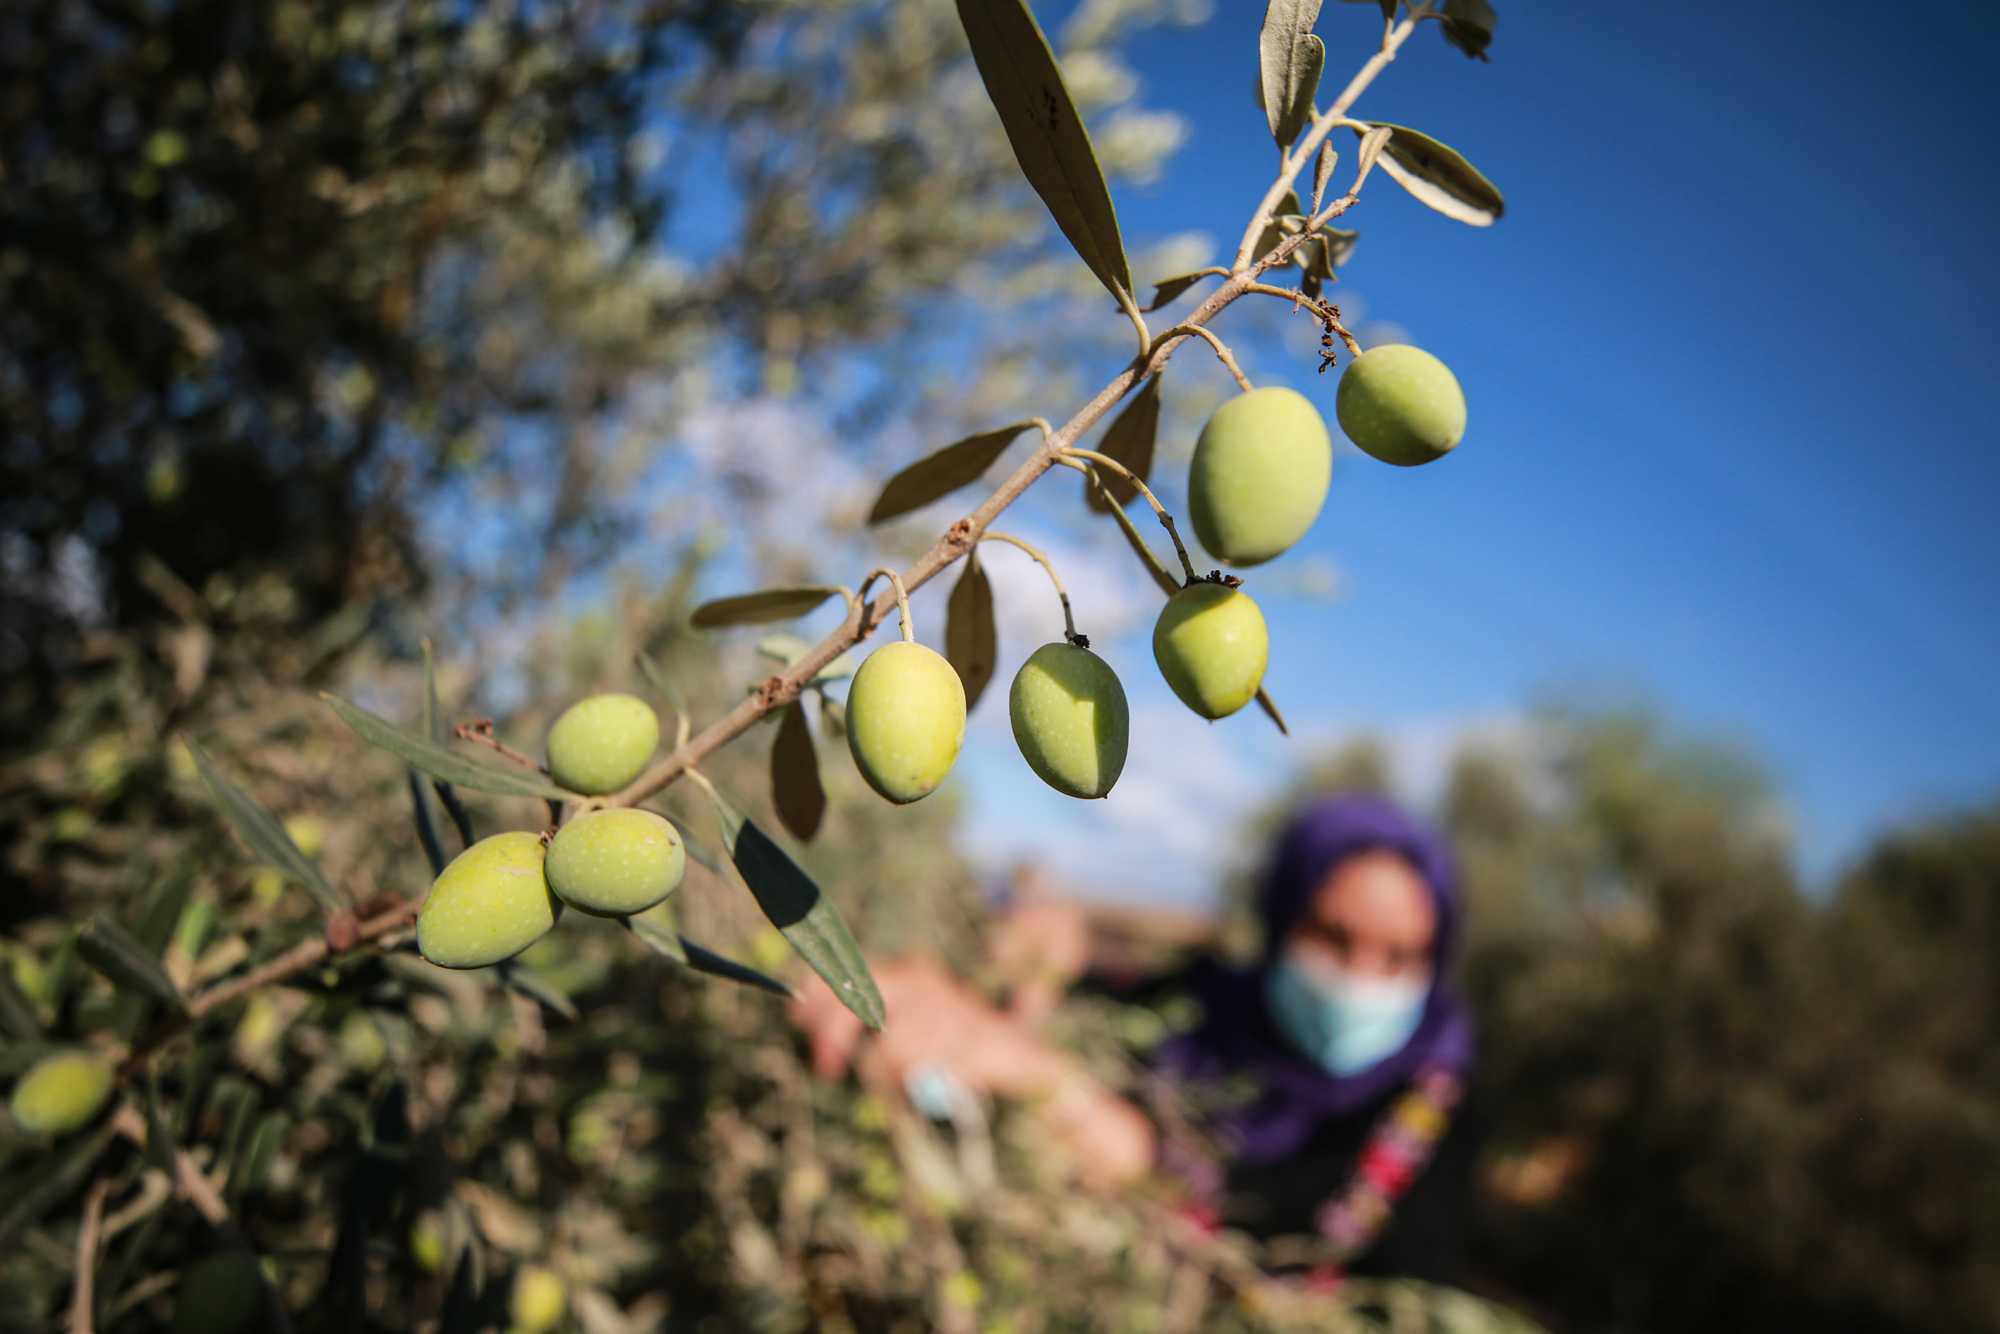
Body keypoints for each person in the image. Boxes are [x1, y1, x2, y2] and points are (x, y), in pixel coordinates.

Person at [789, 795, 1480, 1288]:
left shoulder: (1437, 1109)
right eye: (1331, 937)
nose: (1359, 977)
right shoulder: (1210, 1005)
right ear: (1281, 917)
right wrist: (1039, 960)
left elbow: (1268, 1232)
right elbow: (1083, 999)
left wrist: (1048, 1083)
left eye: (1398, 956)